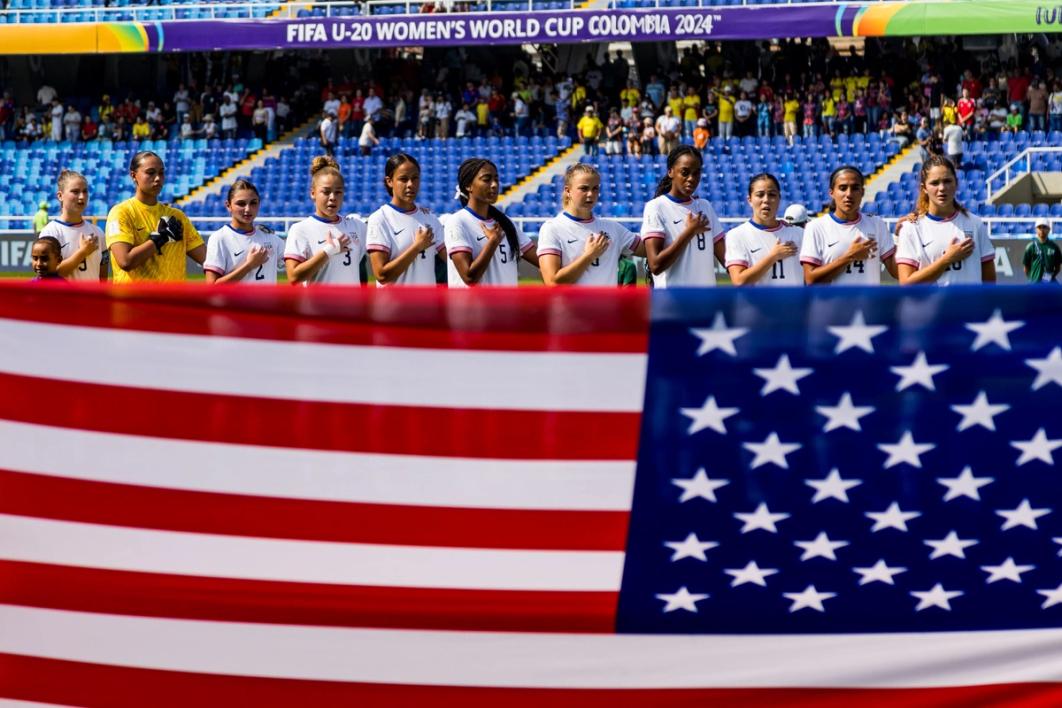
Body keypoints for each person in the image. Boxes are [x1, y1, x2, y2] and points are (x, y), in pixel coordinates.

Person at [537, 163, 645, 287]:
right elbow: (552, 283)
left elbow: (651, 250)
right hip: (570, 307)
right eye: (584, 188)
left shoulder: (613, 228)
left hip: (608, 307)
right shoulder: (552, 228)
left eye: (595, 188)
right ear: (568, 191)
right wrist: (589, 255)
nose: (590, 194)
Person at [105, 150, 205, 284]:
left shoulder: (177, 216)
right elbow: (125, 261)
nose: (158, 178)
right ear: (134, 175)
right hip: (134, 303)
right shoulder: (121, 213)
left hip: (173, 303)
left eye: (161, 173)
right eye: (150, 172)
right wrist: (160, 238)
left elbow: (208, 259)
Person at [895, 155, 996, 285]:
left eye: (947, 181)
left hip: (970, 306)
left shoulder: (975, 223)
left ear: (956, 183)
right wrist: (947, 259)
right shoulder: (911, 228)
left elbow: (989, 284)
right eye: (934, 183)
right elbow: (906, 284)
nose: (942, 188)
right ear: (924, 188)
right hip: (930, 306)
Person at [445, 158, 539, 287]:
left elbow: (542, 260)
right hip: (470, 307)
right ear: (468, 185)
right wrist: (493, 242)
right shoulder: (457, 222)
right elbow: (469, 277)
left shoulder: (506, 223)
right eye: (486, 179)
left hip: (506, 306)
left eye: (496, 179)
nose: (494, 184)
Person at [640, 145, 724, 288]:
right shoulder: (656, 207)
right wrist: (689, 232)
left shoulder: (705, 207)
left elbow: (727, 259)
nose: (691, 178)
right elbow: (655, 265)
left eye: (696, 173)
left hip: (705, 304)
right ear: (671, 172)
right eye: (685, 172)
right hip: (672, 305)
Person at [801, 166, 897, 286]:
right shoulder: (815, 227)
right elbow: (810, 280)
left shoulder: (877, 224)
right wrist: (849, 257)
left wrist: (904, 235)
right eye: (842, 188)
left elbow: (896, 272)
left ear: (862, 192)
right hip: (832, 304)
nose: (849, 194)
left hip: (868, 304)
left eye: (855, 188)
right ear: (832, 192)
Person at [283, 156, 366, 286]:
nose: (333, 197)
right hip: (317, 306)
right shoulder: (300, 229)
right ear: (313, 193)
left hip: (352, 306)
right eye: (326, 192)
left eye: (338, 192)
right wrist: (328, 251)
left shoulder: (357, 227)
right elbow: (293, 277)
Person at [366, 153, 446, 286]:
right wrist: (417, 247)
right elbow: (381, 275)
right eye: (403, 179)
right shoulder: (380, 219)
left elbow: (453, 261)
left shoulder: (430, 218)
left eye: (415, 178)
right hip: (393, 306)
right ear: (389, 181)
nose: (410, 184)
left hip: (427, 306)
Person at [724, 173, 803, 287]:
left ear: (779, 198)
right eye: (760, 195)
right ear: (749, 199)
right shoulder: (736, 235)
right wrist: (773, 257)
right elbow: (739, 282)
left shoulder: (799, 234)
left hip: (793, 305)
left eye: (772, 194)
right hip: (755, 305)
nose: (766, 200)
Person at [204, 180, 284, 285]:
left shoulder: (270, 237)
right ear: (228, 205)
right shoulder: (219, 238)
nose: (248, 209)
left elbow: (297, 266)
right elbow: (212, 287)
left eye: (253, 203)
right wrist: (249, 265)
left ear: (259, 204)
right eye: (241, 204)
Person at [39, 170, 107, 282]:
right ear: (60, 196)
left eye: (85, 191)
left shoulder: (98, 232)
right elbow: (49, 275)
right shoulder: (50, 233)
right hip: (64, 299)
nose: (82, 197)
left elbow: (103, 278)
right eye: (75, 192)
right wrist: (82, 253)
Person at [1023, 218, 1060, 283]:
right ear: (1036, 230)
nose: (1042, 230)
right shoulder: (1030, 247)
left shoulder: (1054, 247)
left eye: (1044, 227)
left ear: (1049, 229)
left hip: (1049, 284)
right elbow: (1026, 268)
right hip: (1034, 284)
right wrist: (1032, 279)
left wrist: (1050, 277)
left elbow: (1058, 268)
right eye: (1039, 227)